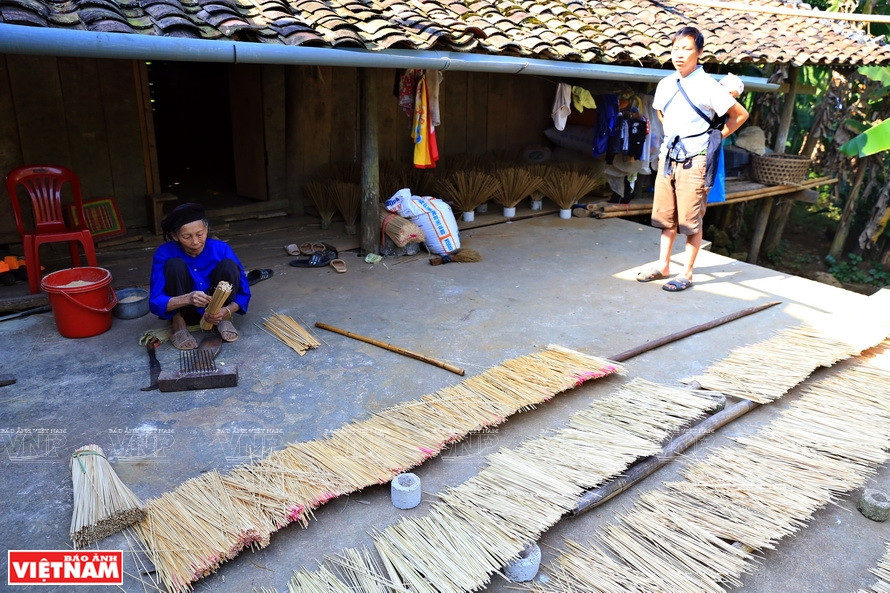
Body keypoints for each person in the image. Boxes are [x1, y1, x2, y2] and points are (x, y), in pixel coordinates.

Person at [636, 27, 749, 292]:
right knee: (665, 218)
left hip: (695, 159)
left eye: (686, 48)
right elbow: (662, 114)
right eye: (675, 48)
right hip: (669, 156)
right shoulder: (666, 83)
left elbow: (739, 116)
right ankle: (663, 265)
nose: (679, 54)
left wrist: (713, 138)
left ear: (699, 53)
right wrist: (674, 137)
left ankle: (686, 273)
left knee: (690, 220)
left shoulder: (708, 85)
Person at [149, 203, 250, 349]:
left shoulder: (221, 249)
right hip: (185, 310)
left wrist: (225, 311)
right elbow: (155, 301)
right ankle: (178, 323)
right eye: (187, 236)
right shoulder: (164, 253)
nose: (195, 242)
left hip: (218, 310)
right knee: (174, 266)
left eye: (200, 234)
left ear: (206, 229)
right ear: (175, 236)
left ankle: (224, 319)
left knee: (228, 265)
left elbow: (244, 292)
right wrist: (187, 298)